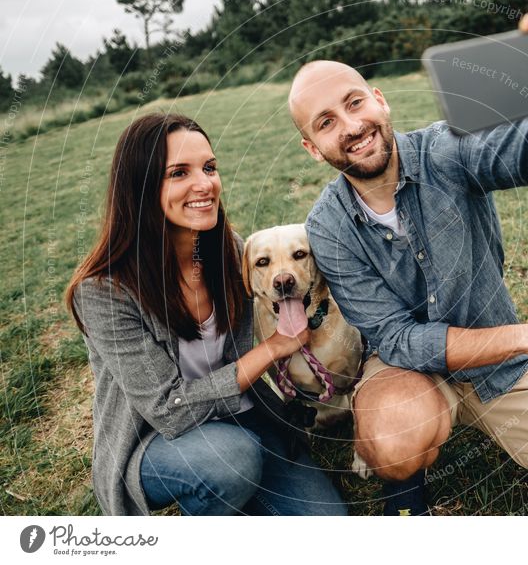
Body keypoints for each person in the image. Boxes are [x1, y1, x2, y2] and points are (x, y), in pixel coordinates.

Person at [287, 12, 528, 515]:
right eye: (326, 123)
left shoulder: (445, 151)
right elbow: (397, 340)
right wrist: (527, 336)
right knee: (397, 439)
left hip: (499, 369)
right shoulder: (328, 226)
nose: (352, 127)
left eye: (354, 103)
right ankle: (407, 494)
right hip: (403, 371)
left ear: (379, 99)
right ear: (313, 148)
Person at [65, 113, 346, 516]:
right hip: (156, 442)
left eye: (209, 168)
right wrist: (271, 350)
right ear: (139, 186)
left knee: (329, 525)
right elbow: (167, 410)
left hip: (241, 417)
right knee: (231, 460)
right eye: (179, 172)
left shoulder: (229, 250)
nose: (205, 184)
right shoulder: (104, 293)